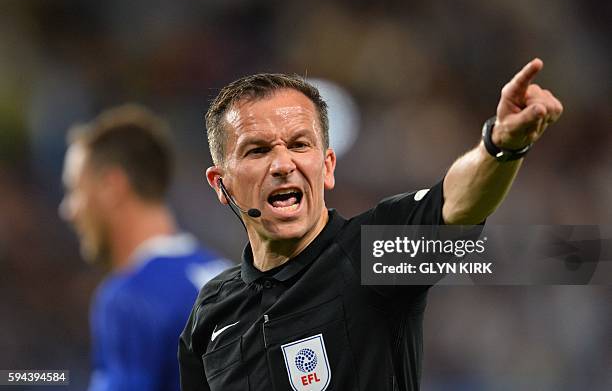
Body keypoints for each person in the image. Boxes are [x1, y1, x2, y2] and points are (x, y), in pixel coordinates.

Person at [178, 58, 563, 390]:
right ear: (221, 183)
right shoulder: (212, 312)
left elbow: (454, 206)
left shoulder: (370, 254)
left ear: (326, 167)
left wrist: (501, 146)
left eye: (299, 145)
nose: (282, 165)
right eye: (258, 150)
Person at [59, 104, 232, 391]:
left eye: (74, 191)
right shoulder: (227, 276)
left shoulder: (129, 298)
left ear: (112, 186)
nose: (68, 210)